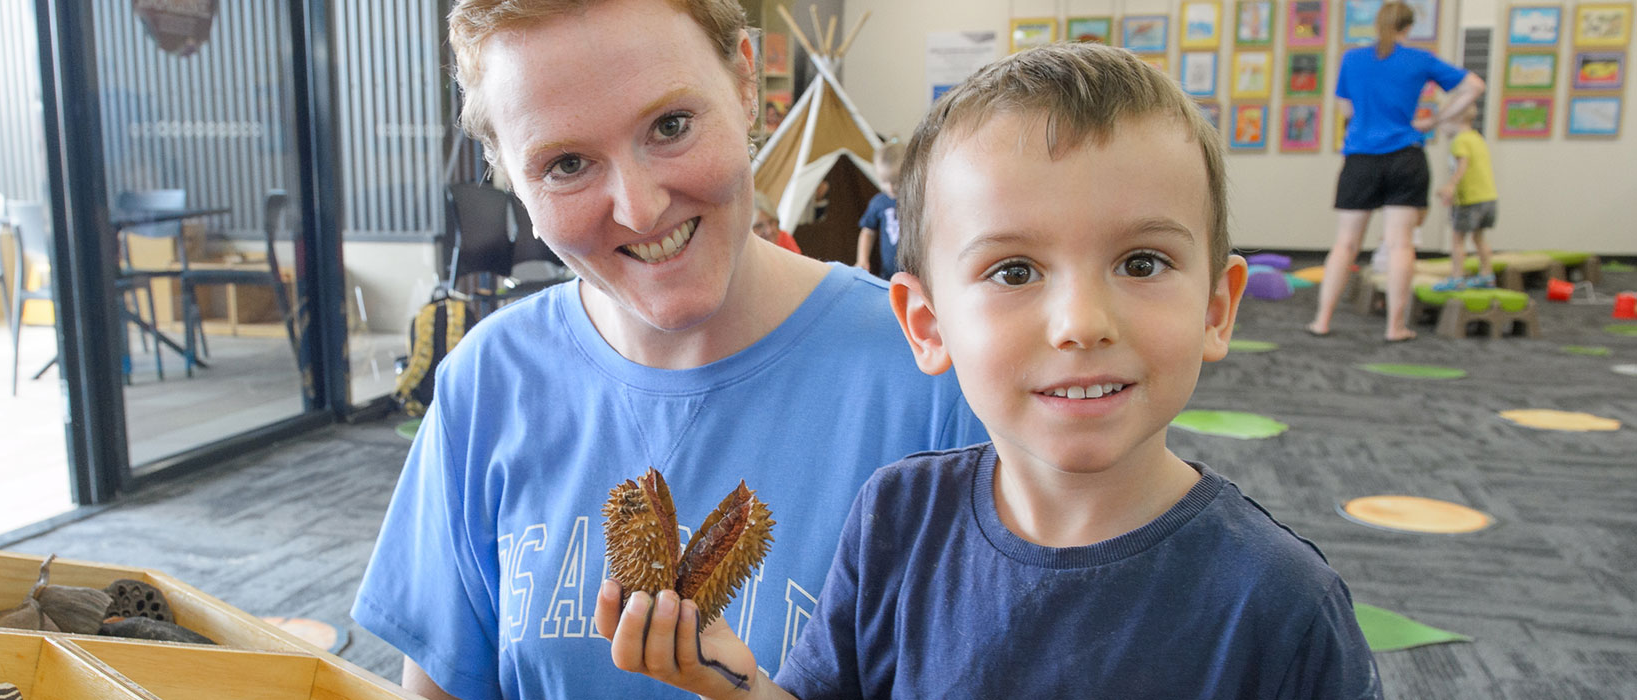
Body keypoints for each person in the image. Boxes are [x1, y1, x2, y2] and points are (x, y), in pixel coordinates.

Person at [599, 43, 1381, 698]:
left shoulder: (1280, 607)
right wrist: (731, 680)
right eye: (1014, 271)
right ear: (928, 326)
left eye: (1142, 262)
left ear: (1217, 308)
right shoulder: (896, 519)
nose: (1081, 323)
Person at [350, 1, 983, 699]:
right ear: (509, 178)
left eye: (671, 126)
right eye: (565, 164)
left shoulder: (933, 376)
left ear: (745, 83)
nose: (641, 208)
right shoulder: (488, 383)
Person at [1308, 1, 1484, 341]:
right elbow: (1474, 85)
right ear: (1407, 27)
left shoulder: (1353, 59)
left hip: (1360, 159)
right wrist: (1438, 119)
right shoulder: (1419, 60)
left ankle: (1322, 321)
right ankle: (1395, 327)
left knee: (1345, 244)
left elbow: (1345, 107)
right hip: (1405, 156)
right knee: (1401, 244)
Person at [1432, 110, 1499, 291]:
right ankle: (1487, 275)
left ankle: (1457, 277)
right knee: (1479, 237)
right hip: (1488, 196)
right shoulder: (1477, 138)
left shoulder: (1459, 141)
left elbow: (1463, 164)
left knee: (1457, 239)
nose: (1442, 127)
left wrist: (1450, 185)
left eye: (1444, 122)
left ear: (1455, 119)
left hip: (1469, 199)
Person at [852, 142, 903, 279]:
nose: (891, 188)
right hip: (888, 274)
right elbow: (868, 231)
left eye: (896, 181)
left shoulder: (915, 200)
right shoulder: (879, 203)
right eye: (885, 181)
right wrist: (862, 259)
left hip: (917, 274)